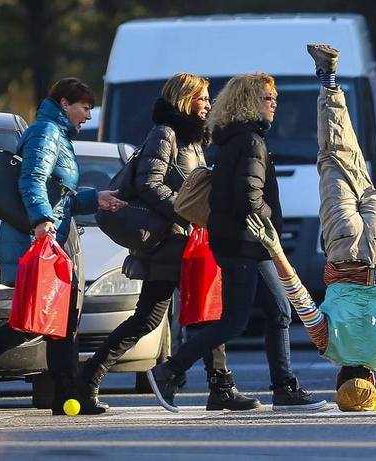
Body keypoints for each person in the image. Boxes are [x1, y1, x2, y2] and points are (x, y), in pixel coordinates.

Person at [241, 44, 376, 412]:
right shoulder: (329, 346)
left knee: (354, 164)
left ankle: (330, 84)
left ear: (373, 381)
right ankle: (328, 80)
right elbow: (298, 294)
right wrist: (274, 249)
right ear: (339, 379)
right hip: (343, 244)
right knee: (333, 158)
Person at [78, 72, 259, 412]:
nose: (208, 104)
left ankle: (220, 388)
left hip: (187, 243)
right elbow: (149, 183)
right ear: (184, 99)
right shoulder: (166, 133)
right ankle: (87, 380)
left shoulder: (192, 139)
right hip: (167, 243)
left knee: (206, 315)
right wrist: (183, 214)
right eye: (202, 98)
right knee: (149, 318)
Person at [146, 72, 325, 413]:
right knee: (235, 321)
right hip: (246, 241)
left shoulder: (233, 138)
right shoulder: (250, 141)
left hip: (241, 241)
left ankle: (285, 388)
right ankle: (168, 370)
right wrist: (271, 218)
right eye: (268, 98)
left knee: (279, 312)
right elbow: (248, 198)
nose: (275, 104)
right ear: (250, 101)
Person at [0, 78, 126, 415]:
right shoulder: (46, 133)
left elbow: (61, 197)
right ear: (64, 103)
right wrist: (42, 221)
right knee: (33, 321)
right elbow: (31, 180)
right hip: (35, 239)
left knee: (56, 323)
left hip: (45, 238)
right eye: (84, 107)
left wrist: (96, 199)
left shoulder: (57, 135)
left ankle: (65, 395)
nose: (88, 115)